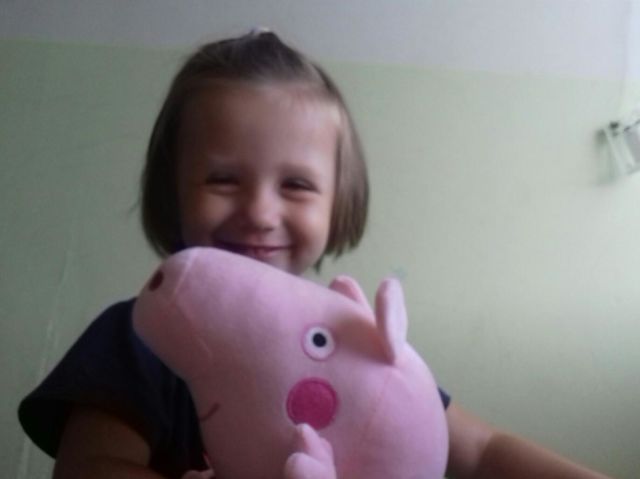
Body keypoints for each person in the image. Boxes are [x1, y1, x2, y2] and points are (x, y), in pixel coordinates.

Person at [18, 30, 610, 479]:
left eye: (296, 185)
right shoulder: (136, 338)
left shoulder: (355, 340)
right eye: (223, 179)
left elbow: (480, 451)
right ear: (173, 190)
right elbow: (87, 468)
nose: (260, 211)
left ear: (337, 203)